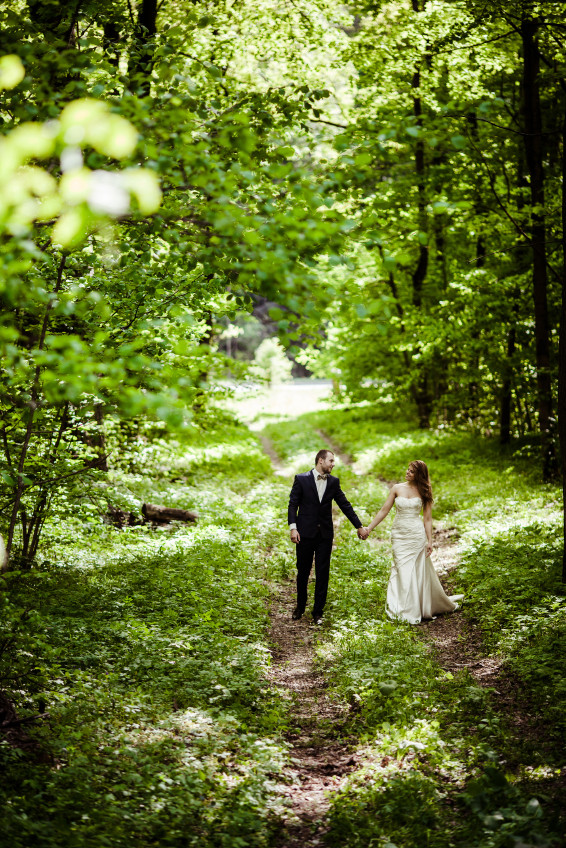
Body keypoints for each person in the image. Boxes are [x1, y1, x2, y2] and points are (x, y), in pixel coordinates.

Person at [361, 460, 462, 624]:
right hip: (399, 534)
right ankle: (400, 606)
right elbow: (384, 510)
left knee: (414, 570)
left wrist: (430, 541)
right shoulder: (397, 488)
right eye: (407, 469)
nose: (407, 472)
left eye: (411, 471)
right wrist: (369, 528)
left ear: (419, 475)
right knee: (401, 568)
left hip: (416, 535)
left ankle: (415, 607)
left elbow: (428, 519)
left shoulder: (424, 490)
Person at [288, 449, 367, 625]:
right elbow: (293, 505)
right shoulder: (301, 479)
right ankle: (300, 607)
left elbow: (345, 505)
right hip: (304, 534)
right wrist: (293, 528)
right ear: (320, 460)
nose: (333, 464)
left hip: (324, 534)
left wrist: (359, 526)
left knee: (323, 573)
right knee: (303, 571)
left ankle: (318, 612)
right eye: (331, 461)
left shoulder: (333, 482)